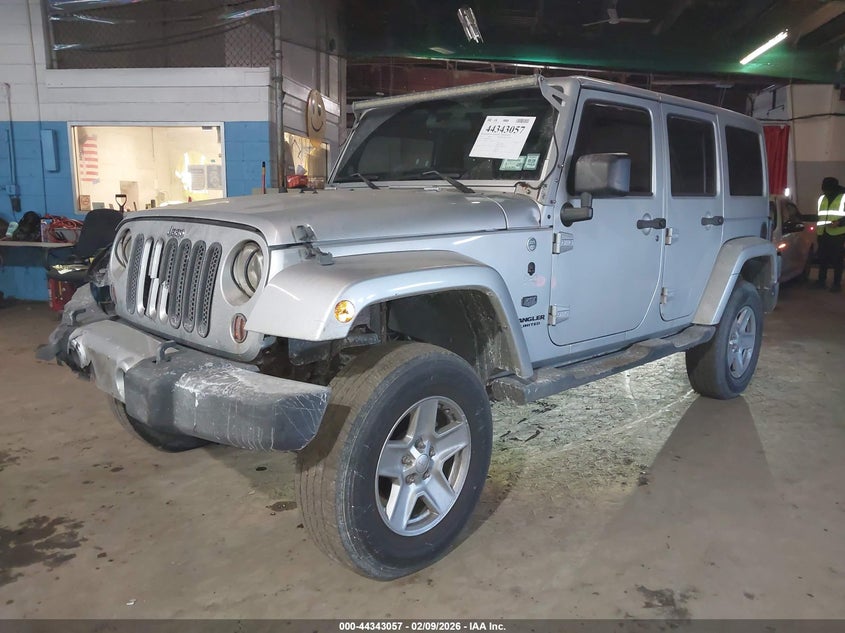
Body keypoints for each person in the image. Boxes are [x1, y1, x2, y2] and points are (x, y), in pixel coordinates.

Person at [814, 176, 845, 292]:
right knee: (822, 258)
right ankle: (821, 281)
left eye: (827, 190)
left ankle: (836, 284)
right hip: (823, 233)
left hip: (838, 234)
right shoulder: (822, 198)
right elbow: (820, 215)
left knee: (837, 260)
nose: (825, 192)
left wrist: (839, 222)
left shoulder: (843, 197)